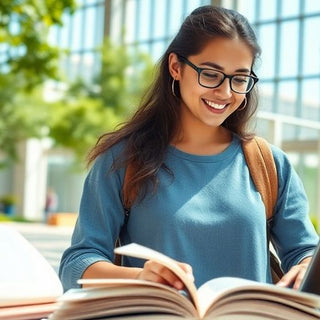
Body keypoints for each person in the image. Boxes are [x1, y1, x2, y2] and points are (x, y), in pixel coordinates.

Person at [59, 5, 319, 292]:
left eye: (240, 78)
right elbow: (77, 263)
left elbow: (305, 252)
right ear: (175, 67)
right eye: (211, 74)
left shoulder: (269, 163)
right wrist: (140, 277)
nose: (225, 92)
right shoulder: (122, 160)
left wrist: (306, 264)